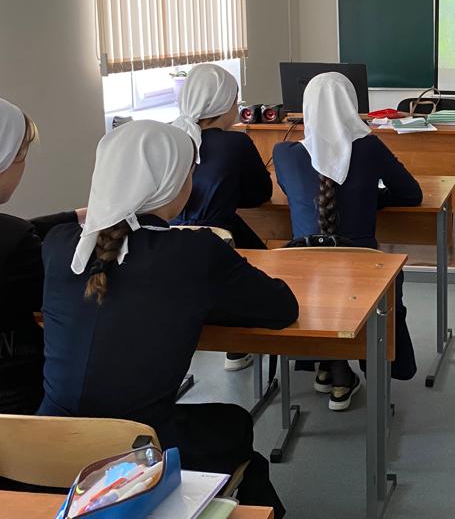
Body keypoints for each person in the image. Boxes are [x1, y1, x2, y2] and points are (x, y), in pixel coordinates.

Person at [39, 121, 296, 516]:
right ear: (172, 182)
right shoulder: (195, 250)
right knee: (234, 423)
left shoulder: (58, 244)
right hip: (142, 452)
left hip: (49, 448)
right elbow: (281, 308)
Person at [273, 73, 421, 410]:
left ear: (307, 108)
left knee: (323, 288)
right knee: (351, 288)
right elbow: (412, 194)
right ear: (351, 105)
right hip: (364, 268)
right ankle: (340, 373)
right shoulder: (369, 147)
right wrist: (369, 199)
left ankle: (330, 366)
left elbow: (297, 193)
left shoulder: (284, 153)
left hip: (302, 271)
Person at [171, 64, 273, 371]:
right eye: (235, 100)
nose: (237, 106)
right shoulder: (235, 143)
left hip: (169, 237)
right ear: (223, 105)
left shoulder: (169, 135)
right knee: (267, 265)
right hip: (217, 239)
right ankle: (239, 344)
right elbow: (259, 194)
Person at [0, 97, 83, 415]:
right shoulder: (15, 242)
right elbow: (61, 296)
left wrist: (71, 217)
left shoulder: (14, 235)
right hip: (22, 410)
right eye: (22, 156)